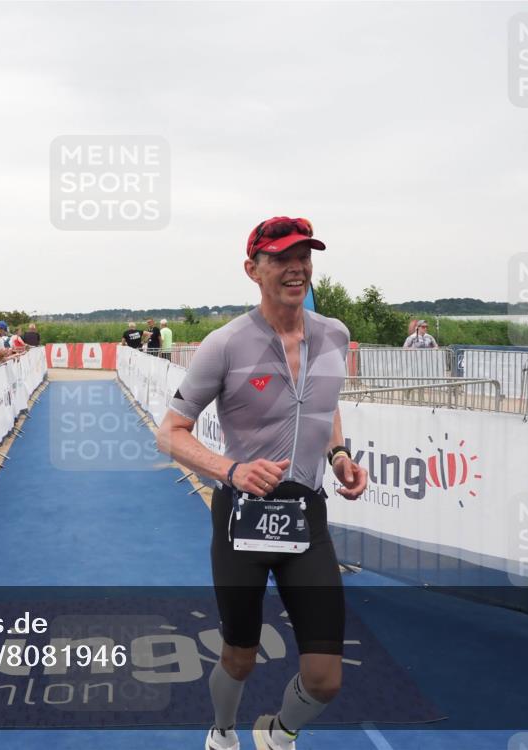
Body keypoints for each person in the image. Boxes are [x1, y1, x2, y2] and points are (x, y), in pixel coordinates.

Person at [156, 216, 367, 750]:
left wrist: (338, 454)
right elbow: (170, 433)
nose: (296, 268)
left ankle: (278, 731)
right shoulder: (224, 344)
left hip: (306, 520)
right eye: (280, 259)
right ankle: (223, 731)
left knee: (325, 677)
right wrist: (231, 469)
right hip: (240, 519)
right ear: (253, 270)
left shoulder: (335, 335)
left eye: (304, 257)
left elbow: (326, 406)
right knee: (240, 656)